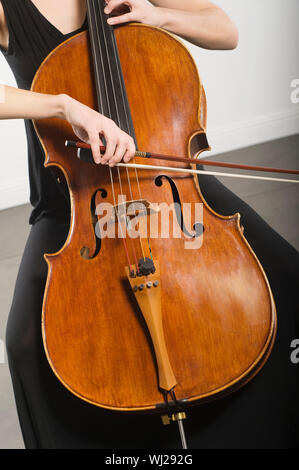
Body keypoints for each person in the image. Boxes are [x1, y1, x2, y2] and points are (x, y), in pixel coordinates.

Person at [0, 0, 298, 449]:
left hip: (171, 188)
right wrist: (63, 105)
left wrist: (160, 17)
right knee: (23, 343)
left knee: (287, 275)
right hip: (74, 205)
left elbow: (226, 30)